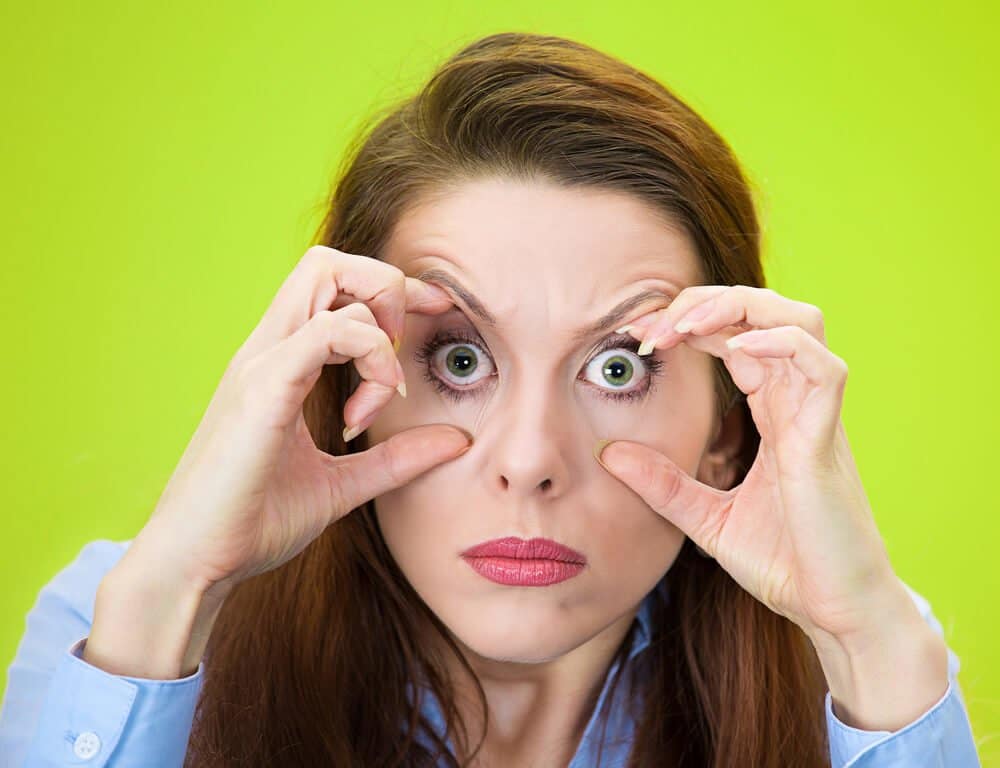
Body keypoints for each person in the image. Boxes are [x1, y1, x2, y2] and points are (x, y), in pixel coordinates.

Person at [1, 31, 982, 768]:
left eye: (618, 367)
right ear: (349, 385)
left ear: (730, 434)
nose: (527, 460)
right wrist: (172, 600)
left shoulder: (867, 680)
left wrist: (866, 643)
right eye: (460, 360)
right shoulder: (116, 623)